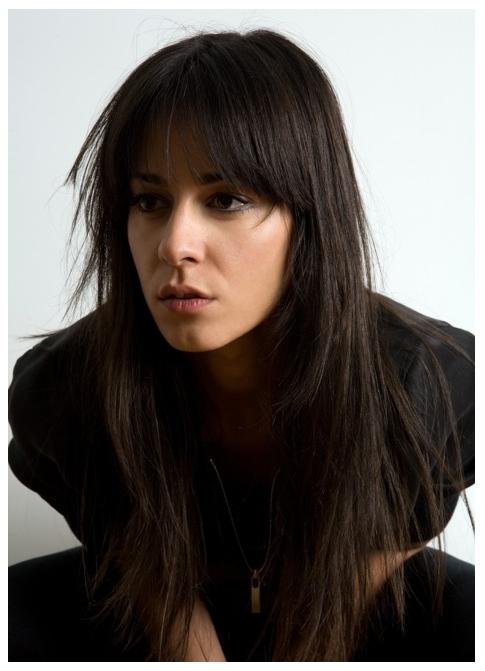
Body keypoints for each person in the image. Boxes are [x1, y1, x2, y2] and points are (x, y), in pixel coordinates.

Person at [8, 28, 474, 661]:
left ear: (308, 218)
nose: (175, 245)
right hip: (159, 593)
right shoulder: (68, 389)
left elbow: (342, 600)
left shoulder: (424, 381)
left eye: (225, 199)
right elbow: (155, 587)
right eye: (149, 200)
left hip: (343, 603)